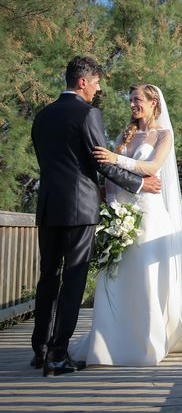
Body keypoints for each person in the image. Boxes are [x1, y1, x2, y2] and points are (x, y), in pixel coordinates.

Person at [31, 57, 162, 377]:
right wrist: (139, 184)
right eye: (96, 82)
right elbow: (100, 162)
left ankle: (41, 349)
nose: (98, 88)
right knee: (73, 278)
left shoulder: (43, 116)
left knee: (48, 277)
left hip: (48, 206)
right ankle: (58, 356)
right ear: (82, 83)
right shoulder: (88, 113)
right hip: (80, 208)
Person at [69, 84, 182, 366]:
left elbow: (152, 168)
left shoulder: (164, 135)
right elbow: (110, 174)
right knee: (118, 277)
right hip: (120, 213)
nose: (133, 104)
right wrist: (110, 204)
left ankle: (149, 341)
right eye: (130, 99)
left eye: (137, 100)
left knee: (145, 278)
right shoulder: (126, 134)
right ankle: (109, 342)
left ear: (153, 103)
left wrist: (116, 158)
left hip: (149, 216)